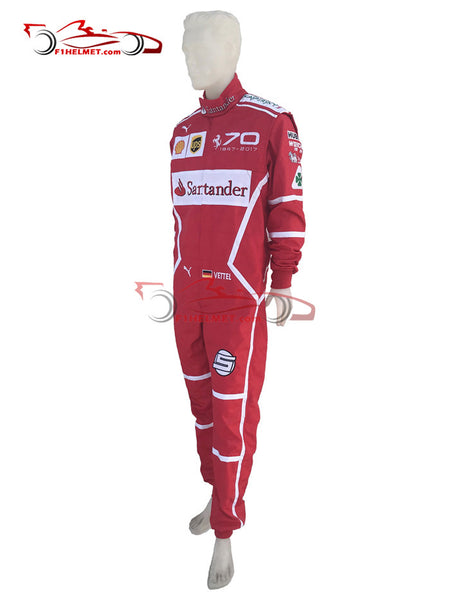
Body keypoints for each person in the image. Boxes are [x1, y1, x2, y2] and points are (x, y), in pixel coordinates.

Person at [169, 10, 305, 589]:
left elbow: (286, 206)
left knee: (232, 416)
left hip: (238, 303)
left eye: (201, 47)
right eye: (185, 49)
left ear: (233, 49)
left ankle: (225, 532)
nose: (189, 59)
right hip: (187, 299)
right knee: (202, 411)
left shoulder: (271, 122)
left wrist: (283, 280)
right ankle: (215, 493)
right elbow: (184, 217)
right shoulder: (181, 132)